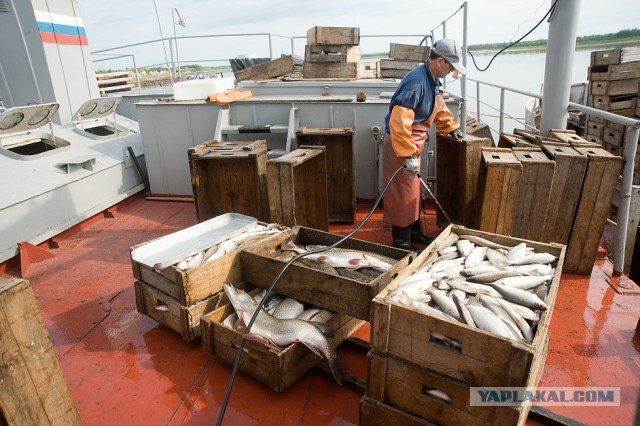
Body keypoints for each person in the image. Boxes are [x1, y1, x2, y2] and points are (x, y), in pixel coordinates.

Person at [382, 38, 466, 251]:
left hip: (414, 145)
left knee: (415, 193)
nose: (451, 72)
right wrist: (408, 154)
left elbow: (439, 107)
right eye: (451, 67)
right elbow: (399, 121)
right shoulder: (418, 82)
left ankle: (415, 233)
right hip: (401, 146)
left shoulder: (433, 79)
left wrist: (450, 127)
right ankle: (401, 243)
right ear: (440, 61)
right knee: (403, 197)